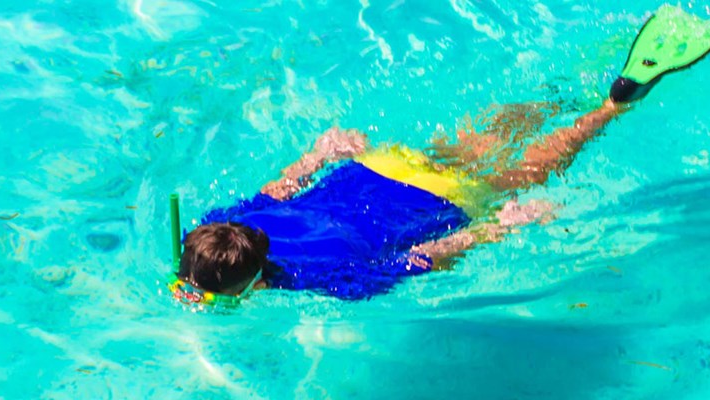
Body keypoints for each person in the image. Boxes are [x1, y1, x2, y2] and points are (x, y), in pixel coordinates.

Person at [170, 5, 710, 304]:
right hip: (383, 166)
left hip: (442, 202)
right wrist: (318, 156)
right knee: (497, 127)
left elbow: (420, 259)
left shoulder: (320, 279)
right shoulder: (223, 222)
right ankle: (564, 89)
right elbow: (275, 190)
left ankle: (613, 105)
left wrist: (500, 229)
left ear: (250, 283)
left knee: (548, 156)